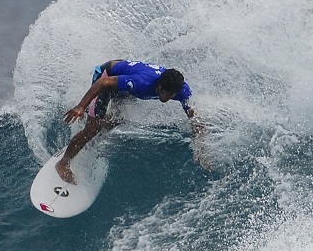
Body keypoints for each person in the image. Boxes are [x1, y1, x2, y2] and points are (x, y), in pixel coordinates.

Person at [57, 60, 208, 183]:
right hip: (106, 76)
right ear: (159, 85)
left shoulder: (182, 90)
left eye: (170, 95)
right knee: (92, 128)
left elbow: (194, 116)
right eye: (162, 92)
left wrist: (200, 147)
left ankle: (91, 139)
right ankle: (63, 163)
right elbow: (103, 84)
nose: (165, 97)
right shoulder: (141, 83)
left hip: (123, 83)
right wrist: (81, 106)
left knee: (117, 119)